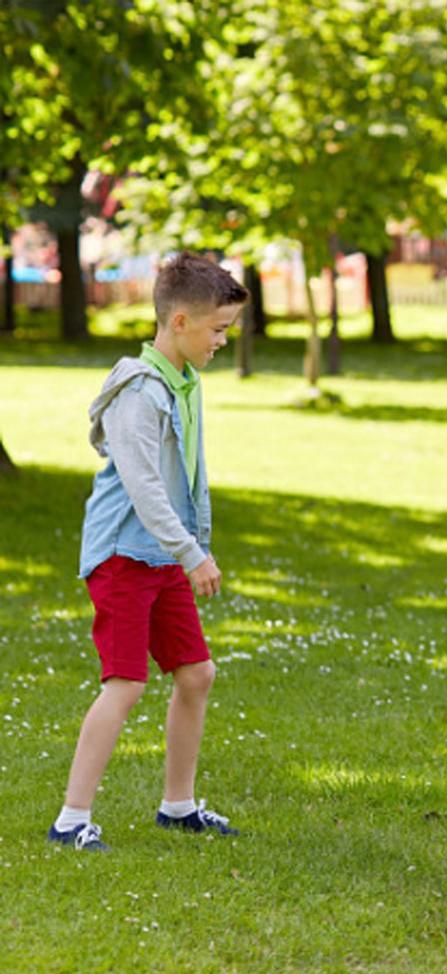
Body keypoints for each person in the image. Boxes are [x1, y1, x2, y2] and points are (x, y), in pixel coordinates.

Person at [48, 252, 248, 851]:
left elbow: (190, 473)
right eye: (217, 330)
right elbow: (144, 486)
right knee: (126, 683)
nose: (222, 342)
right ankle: (71, 820)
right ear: (179, 322)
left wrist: (192, 545)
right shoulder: (139, 391)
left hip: (161, 555)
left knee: (197, 674)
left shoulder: (185, 383)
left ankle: (178, 807)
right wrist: (191, 553)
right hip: (123, 556)